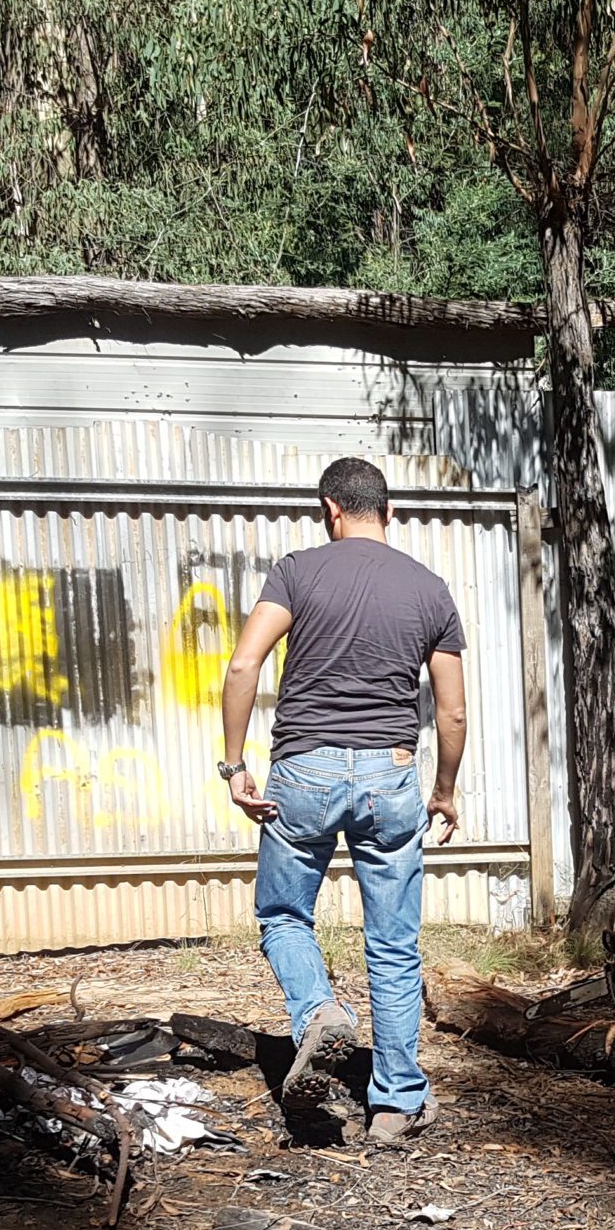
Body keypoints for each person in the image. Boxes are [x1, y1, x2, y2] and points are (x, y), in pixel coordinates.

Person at [219, 457, 468, 1145]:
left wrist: (235, 765)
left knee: (283, 915)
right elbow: (451, 714)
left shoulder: (297, 570)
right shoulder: (430, 590)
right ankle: (395, 1102)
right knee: (393, 945)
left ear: (332, 509)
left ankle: (318, 1011)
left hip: (304, 770)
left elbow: (244, 665)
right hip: (390, 776)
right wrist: (442, 791)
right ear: (387, 511)